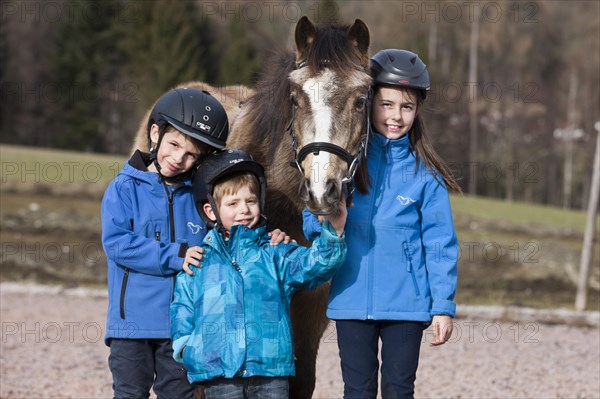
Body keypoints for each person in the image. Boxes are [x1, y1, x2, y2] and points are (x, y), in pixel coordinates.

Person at [101, 88, 288, 398]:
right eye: (174, 145)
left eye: (191, 155)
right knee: (129, 393)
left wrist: (267, 238)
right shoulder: (124, 189)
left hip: (183, 327)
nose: (178, 159)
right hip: (131, 325)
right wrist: (177, 255)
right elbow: (118, 243)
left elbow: (227, 235)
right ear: (155, 133)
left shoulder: (198, 196)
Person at [303, 49, 462, 398]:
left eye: (406, 107)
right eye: (386, 104)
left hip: (407, 306)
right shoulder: (344, 168)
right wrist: (330, 223)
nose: (396, 116)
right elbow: (312, 225)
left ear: (418, 110)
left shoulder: (426, 178)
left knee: (399, 390)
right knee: (357, 390)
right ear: (369, 102)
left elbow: (440, 245)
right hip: (351, 300)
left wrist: (443, 308)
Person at [170, 149, 348, 398]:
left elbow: (318, 264)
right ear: (211, 211)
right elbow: (182, 308)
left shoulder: (276, 252)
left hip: (270, 374)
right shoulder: (200, 261)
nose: (243, 209)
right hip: (220, 375)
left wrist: (334, 231)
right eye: (233, 203)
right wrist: (185, 348)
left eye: (250, 201)